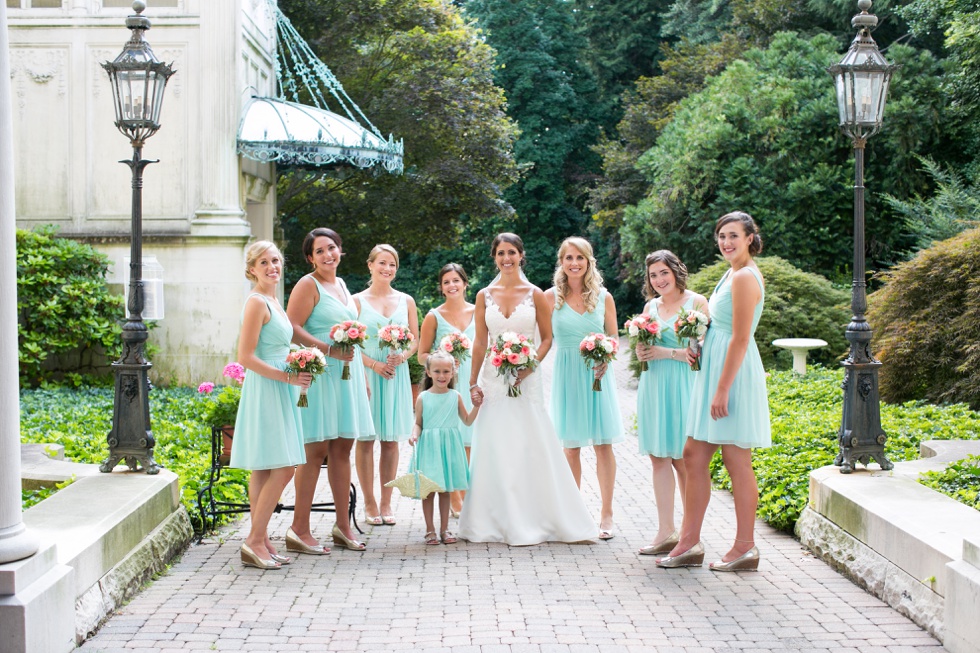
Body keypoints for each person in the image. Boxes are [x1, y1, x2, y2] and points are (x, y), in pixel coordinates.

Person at [458, 233, 595, 546]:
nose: (506, 258)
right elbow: (480, 341)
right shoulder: (483, 295)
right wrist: (472, 382)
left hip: (526, 379)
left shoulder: (535, 295)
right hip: (493, 380)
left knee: (528, 442)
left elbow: (546, 339)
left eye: (512, 252)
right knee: (494, 444)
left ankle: (540, 517)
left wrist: (529, 366)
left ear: (521, 255)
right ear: (494, 256)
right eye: (501, 253)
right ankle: (493, 519)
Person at [657, 211, 771, 571]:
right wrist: (700, 343)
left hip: (731, 376)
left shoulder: (744, 278)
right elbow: (722, 329)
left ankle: (744, 547)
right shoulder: (732, 273)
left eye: (734, 236)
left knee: (737, 460)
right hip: (715, 369)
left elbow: (740, 337)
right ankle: (690, 543)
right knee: (693, 454)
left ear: (750, 237)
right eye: (722, 236)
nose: (726, 242)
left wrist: (722, 389)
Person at [286, 228, 371, 553]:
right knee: (315, 451)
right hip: (321, 374)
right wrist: (327, 349)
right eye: (319, 251)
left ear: (340, 250)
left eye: (331, 248)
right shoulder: (308, 284)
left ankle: (343, 527)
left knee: (342, 449)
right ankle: (299, 529)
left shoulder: (343, 286)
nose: (327, 255)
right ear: (310, 258)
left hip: (348, 376)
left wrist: (361, 375)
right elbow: (292, 327)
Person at [230, 241, 312, 569]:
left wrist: (303, 361)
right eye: (263, 262)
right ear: (252, 269)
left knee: (265, 467)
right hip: (267, 388)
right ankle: (252, 540)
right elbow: (246, 357)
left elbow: (278, 344)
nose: (271, 267)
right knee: (284, 466)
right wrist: (286, 377)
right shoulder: (255, 303)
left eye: (275, 260)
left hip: (281, 386)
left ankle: (260, 539)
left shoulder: (274, 301)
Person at [544, 237, 623, 540]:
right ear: (561, 263)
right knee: (571, 447)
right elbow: (542, 338)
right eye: (568, 258)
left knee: (603, 445)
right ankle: (574, 514)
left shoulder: (604, 297)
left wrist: (606, 356)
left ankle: (607, 513)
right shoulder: (550, 297)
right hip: (566, 375)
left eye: (580, 257)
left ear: (589, 261)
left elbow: (614, 336)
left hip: (597, 375)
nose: (574, 263)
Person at [634, 250, 708, 557]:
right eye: (653, 275)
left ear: (676, 271)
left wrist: (667, 353)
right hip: (654, 385)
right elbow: (644, 346)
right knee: (658, 458)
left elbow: (701, 352)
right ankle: (666, 531)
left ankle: (690, 535)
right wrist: (640, 350)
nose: (659, 280)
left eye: (664, 272)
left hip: (685, 385)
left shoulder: (697, 303)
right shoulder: (650, 306)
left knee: (684, 459)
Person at [354, 245, 419, 526]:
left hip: (395, 375)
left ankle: (386, 502)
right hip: (368, 375)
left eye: (392, 264)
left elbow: (415, 338)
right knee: (366, 439)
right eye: (382, 263)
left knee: (391, 441)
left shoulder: (407, 301)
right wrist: (373, 365)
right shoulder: (355, 301)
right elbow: (350, 342)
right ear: (370, 265)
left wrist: (402, 355)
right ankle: (368, 503)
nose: (387, 269)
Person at [416, 263, 476, 517]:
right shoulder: (433, 316)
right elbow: (421, 355)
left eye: (456, 280)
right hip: (446, 386)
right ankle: (454, 499)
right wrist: (444, 359)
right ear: (441, 288)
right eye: (446, 282)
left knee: (471, 441)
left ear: (464, 283)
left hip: (473, 379)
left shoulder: (479, 311)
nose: (452, 285)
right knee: (453, 441)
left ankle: (468, 495)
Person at [409, 351, 481, 545]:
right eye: (437, 371)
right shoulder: (423, 397)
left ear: (453, 372)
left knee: (445, 490)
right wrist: (414, 434)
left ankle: (444, 529)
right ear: (429, 372)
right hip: (430, 448)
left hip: (448, 448)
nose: (442, 376)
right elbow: (418, 423)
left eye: (446, 371)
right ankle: (430, 529)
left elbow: (467, 421)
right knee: (429, 489)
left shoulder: (455, 396)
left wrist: (476, 406)